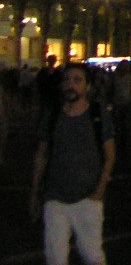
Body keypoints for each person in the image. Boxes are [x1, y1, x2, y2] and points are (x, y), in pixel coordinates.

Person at [29, 63, 116, 265]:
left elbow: (110, 155)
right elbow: (41, 155)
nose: (71, 85)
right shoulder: (52, 115)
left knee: (92, 255)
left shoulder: (97, 114)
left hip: (88, 196)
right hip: (55, 197)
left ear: (87, 86)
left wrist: (99, 190)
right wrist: (34, 192)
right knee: (55, 257)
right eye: (67, 80)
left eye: (77, 80)